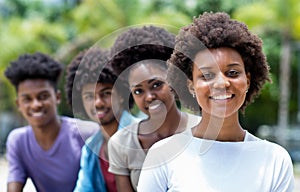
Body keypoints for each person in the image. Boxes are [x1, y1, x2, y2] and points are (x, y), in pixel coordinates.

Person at [137, 12, 294, 192]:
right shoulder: (163, 155)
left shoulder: (274, 159)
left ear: (248, 81)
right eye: (207, 75)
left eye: (233, 73)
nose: (221, 83)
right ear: (191, 86)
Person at [108, 25, 201, 191]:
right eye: (138, 91)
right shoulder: (121, 143)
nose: (149, 96)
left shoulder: (204, 131)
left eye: (156, 85)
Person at [4, 52, 98, 192]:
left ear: (57, 97)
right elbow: (14, 185)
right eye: (27, 99)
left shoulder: (86, 133)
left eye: (43, 96)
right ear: (18, 104)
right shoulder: (18, 141)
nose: (36, 105)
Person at [65, 47, 139, 192]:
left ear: (123, 94)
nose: (98, 102)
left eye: (106, 93)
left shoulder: (142, 135)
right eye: (89, 96)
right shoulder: (90, 148)